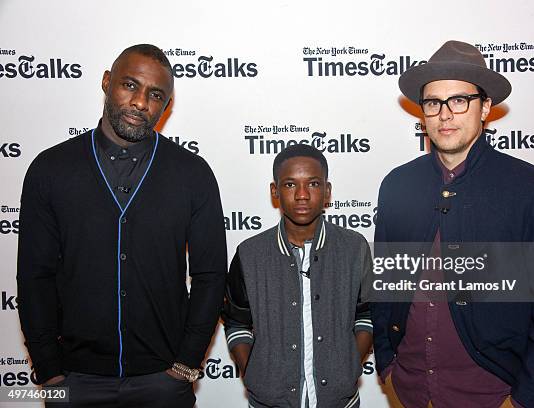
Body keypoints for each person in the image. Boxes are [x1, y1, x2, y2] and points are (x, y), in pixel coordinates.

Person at [371, 40, 534, 408]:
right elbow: (385, 284)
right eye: (433, 102)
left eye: (459, 100)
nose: (444, 114)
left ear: (485, 107)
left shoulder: (532, 189)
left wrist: (527, 401)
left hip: (495, 397)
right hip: (410, 392)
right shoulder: (397, 184)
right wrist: (389, 364)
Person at [17, 44, 226, 407]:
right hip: (75, 381)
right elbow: (35, 276)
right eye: (130, 85)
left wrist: (188, 365)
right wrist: (50, 371)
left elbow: (210, 275)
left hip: (163, 382)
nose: (140, 102)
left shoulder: (193, 174)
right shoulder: (50, 169)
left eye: (155, 95)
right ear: (106, 82)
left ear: (167, 105)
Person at [222, 144, 373, 408]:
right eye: (290, 185)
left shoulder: (355, 248)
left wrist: (347, 364)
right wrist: (254, 370)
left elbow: (368, 315)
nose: (302, 195)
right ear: (275, 191)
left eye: (313, 184)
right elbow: (236, 322)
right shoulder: (249, 254)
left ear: (327, 191)